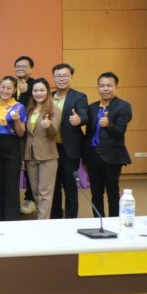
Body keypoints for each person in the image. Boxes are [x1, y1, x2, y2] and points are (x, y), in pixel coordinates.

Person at [85, 72, 133, 218]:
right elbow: (88, 134)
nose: (105, 89)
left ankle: (114, 223)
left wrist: (108, 124)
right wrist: (85, 158)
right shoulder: (92, 107)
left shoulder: (123, 106)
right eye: (102, 86)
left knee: (112, 193)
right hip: (93, 156)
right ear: (98, 88)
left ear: (116, 87)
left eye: (109, 85)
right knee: (96, 194)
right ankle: (98, 221)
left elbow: (120, 131)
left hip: (112, 157)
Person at [50, 63, 88, 220]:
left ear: (71, 77)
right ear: (53, 78)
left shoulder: (79, 97)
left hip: (69, 149)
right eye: (58, 76)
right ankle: (56, 218)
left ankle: (71, 219)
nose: (61, 79)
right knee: (53, 187)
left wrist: (79, 120)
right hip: (50, 148)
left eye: (65, 76)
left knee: (70, 186)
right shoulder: (48, 96)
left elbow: (84, 115)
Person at [0, 76, 27, 221]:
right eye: (2, 87)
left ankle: (11, 218)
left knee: (11, 184)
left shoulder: (19, 107)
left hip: (12, 146)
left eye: (9, 88)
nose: (5, 90)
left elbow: (21, 133)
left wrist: (17, 120)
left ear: (14, 90)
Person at [23, 78, 61, 220]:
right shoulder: (29, 110)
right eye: (35, 90)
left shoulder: (54, 110)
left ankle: (43, 224)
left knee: (45, 193)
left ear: (48, 92)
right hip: (30, 157)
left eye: (42, 90)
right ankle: (42, 220)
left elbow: (54, 132)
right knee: (36, 193)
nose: (38, 93)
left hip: (48, 157)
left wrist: (49, 125)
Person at [14, 55, 37, 215]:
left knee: (29, 166)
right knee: (16, 165)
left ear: (31, 69)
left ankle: (30, 199)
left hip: (30, 131)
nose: (20, 69)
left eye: (24, 66)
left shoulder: (35, 85)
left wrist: (27, 91)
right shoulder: (11, 84)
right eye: (18, 66)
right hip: (13, 132)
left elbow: (40, 100)